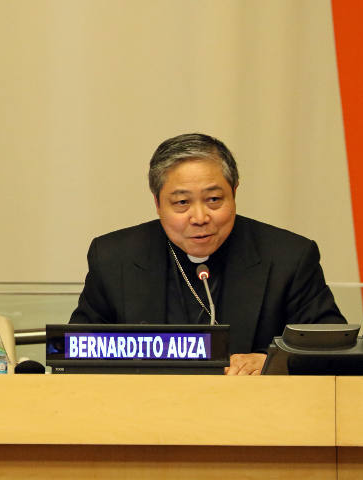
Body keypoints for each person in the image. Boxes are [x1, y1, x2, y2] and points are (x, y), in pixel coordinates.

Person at [69, 133, 346, 375]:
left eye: (214, 200)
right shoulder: (114, 257)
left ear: (234, 192)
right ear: (157, 203)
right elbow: (76, 352)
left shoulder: (289, 257)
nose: (200, 217)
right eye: (182, 203)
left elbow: (335, 351)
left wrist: (272, 364)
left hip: (256, 421)